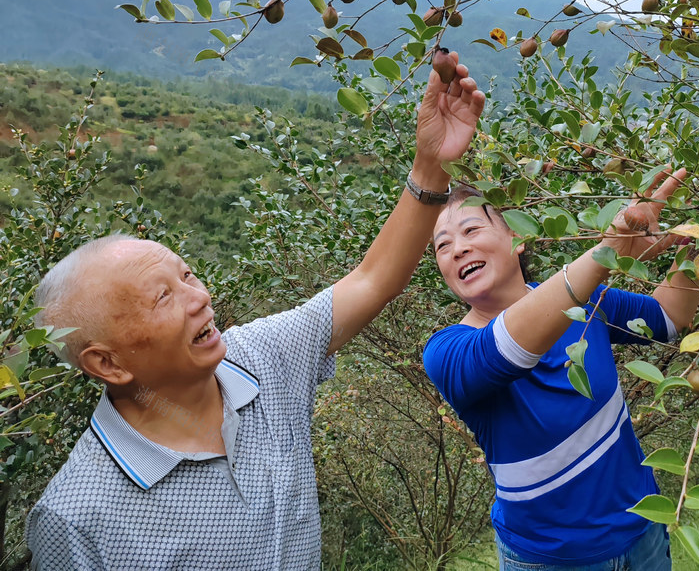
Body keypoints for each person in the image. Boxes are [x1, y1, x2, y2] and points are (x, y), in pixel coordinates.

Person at [25, 61, 486, 570]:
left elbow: (372, 281)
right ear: (107, 363)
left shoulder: (261, 358)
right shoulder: (77, 518)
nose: (198, 298)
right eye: (162, 298)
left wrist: (430, 166)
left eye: (187, 275)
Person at [423, 169, 699, 570]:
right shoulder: (447, 353)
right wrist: (609, 249)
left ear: (518, 237)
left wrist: (695, 245)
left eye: (470, 230)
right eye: (442, 245)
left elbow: (669, 316)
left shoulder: (587, 302)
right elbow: (508, 348)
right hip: (548, 560)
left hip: (644, 536)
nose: (457, 249)